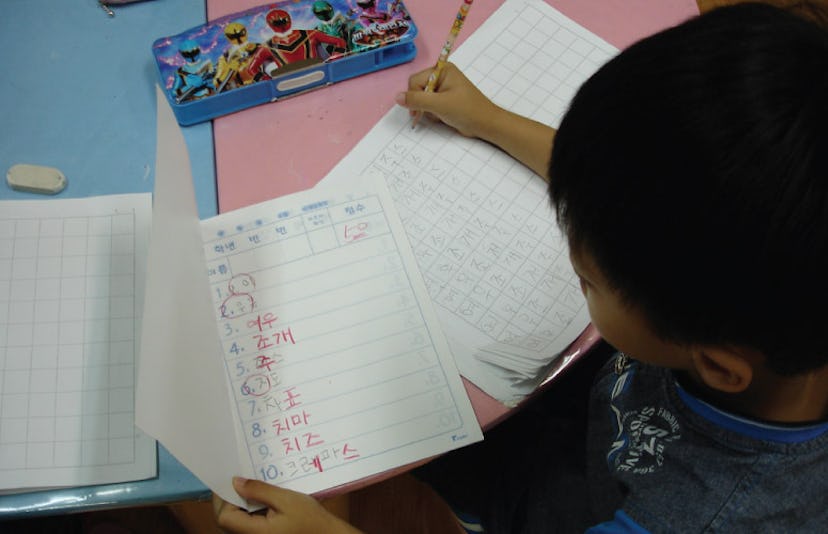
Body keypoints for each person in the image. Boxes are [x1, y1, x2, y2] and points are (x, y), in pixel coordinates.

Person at [213, 2, 828, 532]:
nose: (573, 265)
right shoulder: (778, 264)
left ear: (719, 365)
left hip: (571, 502)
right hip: (610, 405)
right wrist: (490, 119)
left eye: (585, 278)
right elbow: (634, 184)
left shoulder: (699, 517)